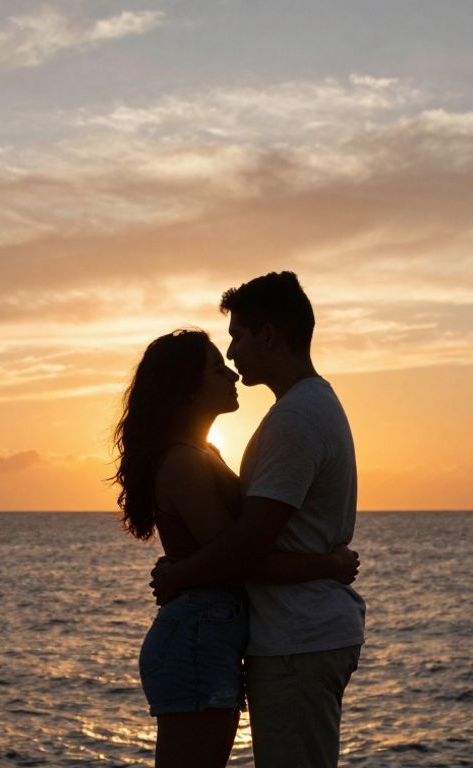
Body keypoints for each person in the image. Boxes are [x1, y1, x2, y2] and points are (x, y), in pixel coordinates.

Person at [112, 328, 359, 768]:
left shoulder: (203, 453)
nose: (230, 373)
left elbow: (232, 552)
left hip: (210, 632)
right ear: (188, 389)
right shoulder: (184, 462)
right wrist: (328, 565)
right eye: (215, 369)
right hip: (198, 634)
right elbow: (238, 560)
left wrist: (178, 571)